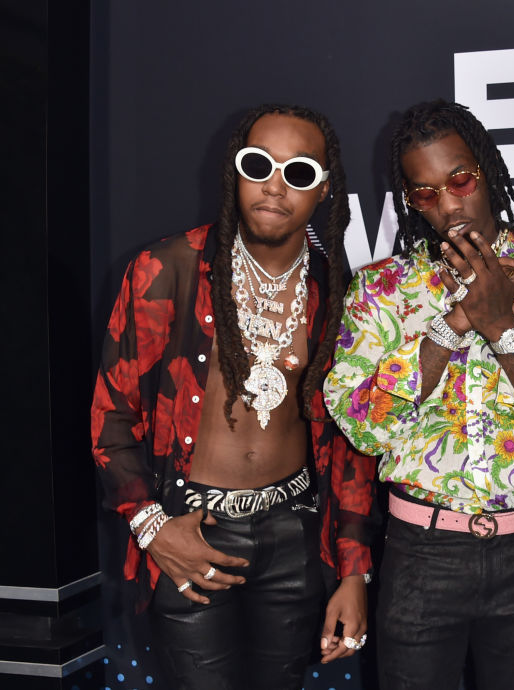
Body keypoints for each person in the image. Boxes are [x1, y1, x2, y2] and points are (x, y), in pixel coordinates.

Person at [323, 99, 514, 690]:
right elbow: (361, 423)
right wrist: (453, 324)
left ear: (486, 169)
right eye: (425, 194)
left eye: (459, 180)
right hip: (420, 555)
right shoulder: (383, 291)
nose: (450, 205)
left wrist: (504, 329)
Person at [90, 104, 376, 689]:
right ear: (234, 173)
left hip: (296, 534)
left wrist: (353, 573)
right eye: (258, 165)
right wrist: (152, 526)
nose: (275, 186)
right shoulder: (164, 270)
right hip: (191, 529)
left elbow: (351, 444)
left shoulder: (338, 294)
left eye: (298, 174)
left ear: (323, 190)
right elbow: (111, 416)